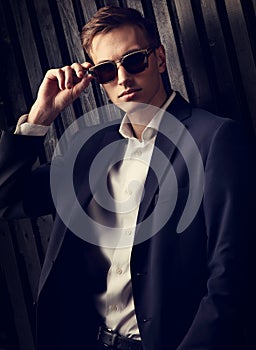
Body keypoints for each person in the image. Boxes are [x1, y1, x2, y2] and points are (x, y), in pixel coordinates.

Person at [0, 5, 255, 350]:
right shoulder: (88, 149)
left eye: (134, 60)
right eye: (106, 70)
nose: (122, 79)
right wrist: (40, 116)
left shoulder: (215, 139)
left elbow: (231, 278)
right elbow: (9, 199)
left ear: (160, 59)